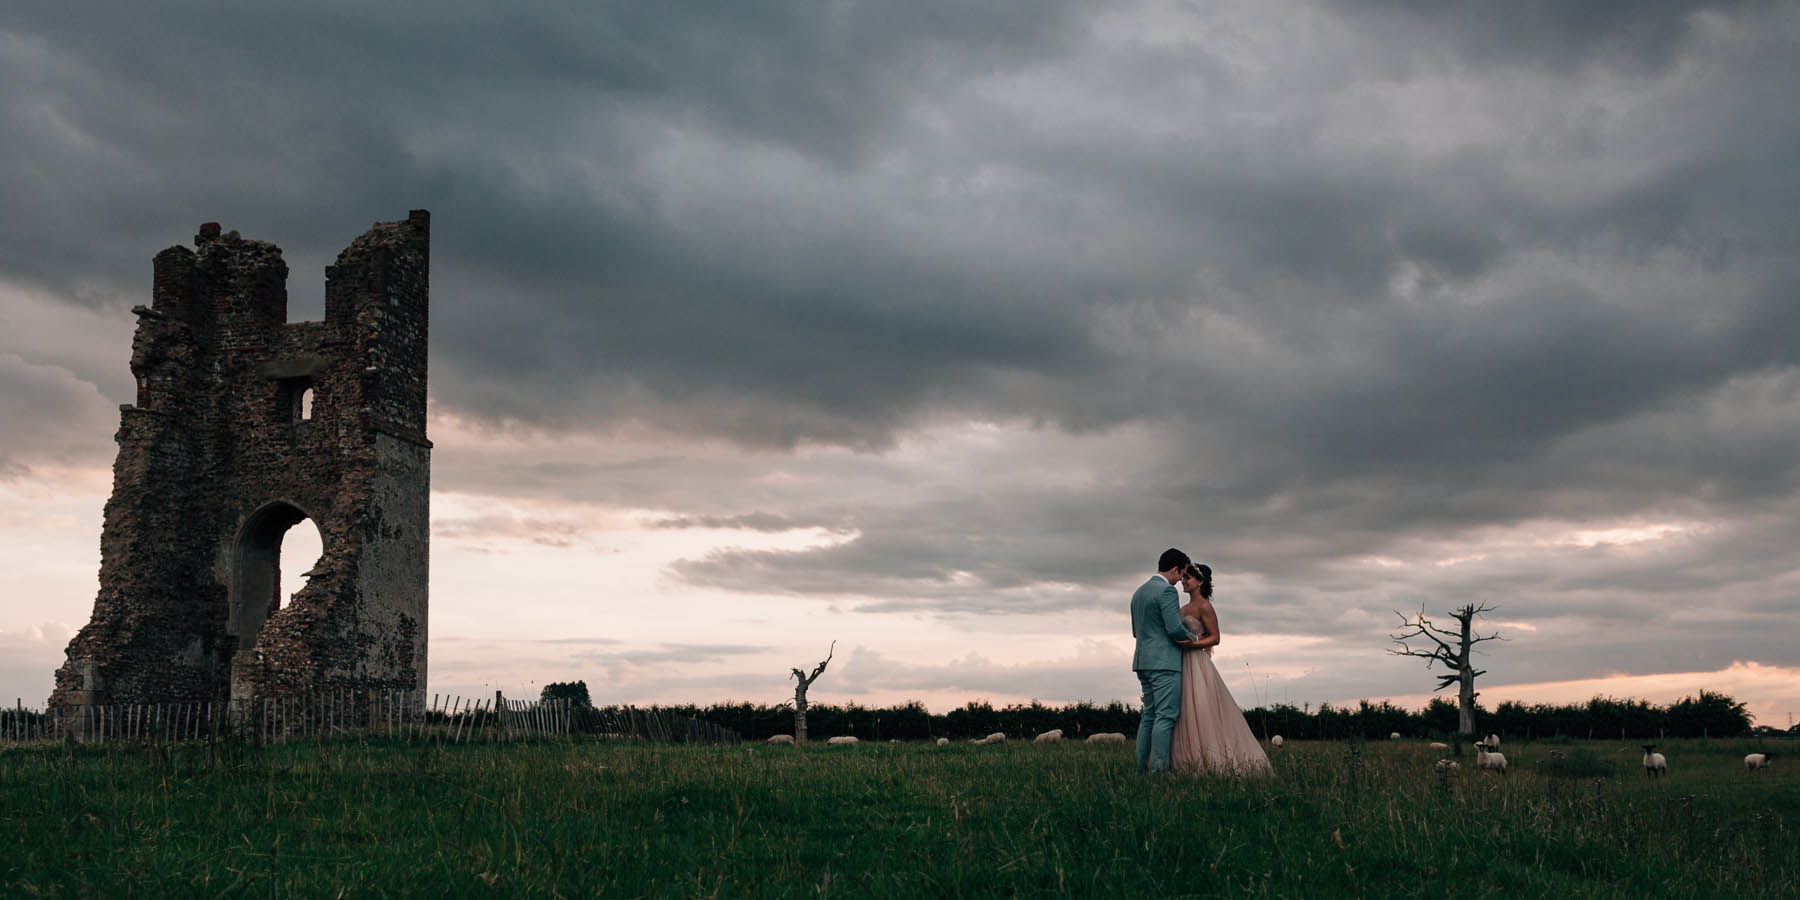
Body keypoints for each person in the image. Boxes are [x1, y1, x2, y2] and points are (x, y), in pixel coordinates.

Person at [1169, 563, 1271, 776]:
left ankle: (1209, 758)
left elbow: (1215, 637)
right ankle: (1184, 759)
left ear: (1200, 582)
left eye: (1188, 578)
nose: (1184, 581)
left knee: (1200, 708)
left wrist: (1191, 644)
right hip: (1180, 661)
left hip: (1197, 663)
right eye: (1184, 577)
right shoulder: (1182, 608)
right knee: (1182, 709)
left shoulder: (1205, 607)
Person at [1131, 548, 1198, 772]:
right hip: (1164, 663)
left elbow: (1135, 632)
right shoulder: (1167, 592)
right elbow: (1174, 629)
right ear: (1175, 569)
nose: (1181, 580)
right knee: (1165, 716)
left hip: (1142, 661)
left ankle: (1140, 767)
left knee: (1148, 715)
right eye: (1181, 574)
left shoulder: (1139, 592)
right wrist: (1195, 638)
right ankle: (1158, 771)